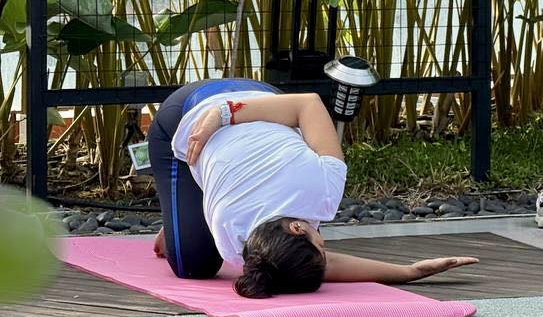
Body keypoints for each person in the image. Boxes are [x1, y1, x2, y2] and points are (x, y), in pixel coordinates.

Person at [147, 78, 476, 297]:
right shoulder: (314, 194)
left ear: (294, 228)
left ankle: (181, 216)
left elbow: (306, 104)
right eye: (322, 249)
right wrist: (406, 272)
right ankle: (180, 212)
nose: (326, 246)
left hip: (246, 117)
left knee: (195, 263)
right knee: (192, 266)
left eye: (320, 247)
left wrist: (223, 113)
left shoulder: (232, 231)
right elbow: (307, 105)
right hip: (184, 116)